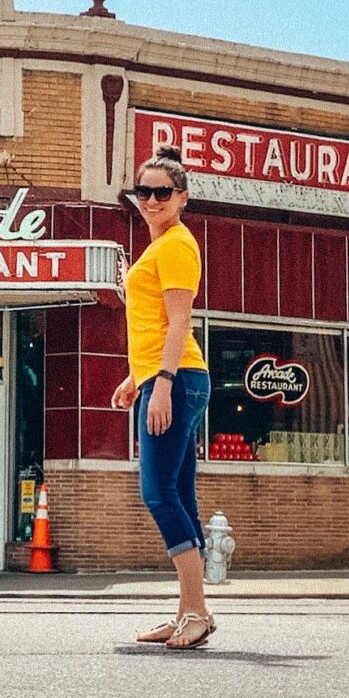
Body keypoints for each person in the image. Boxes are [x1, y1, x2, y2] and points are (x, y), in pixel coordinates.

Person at [112, 145, 214, 650]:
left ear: (182, 198)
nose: (151, 199)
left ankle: (195, 611)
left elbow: (179, 321)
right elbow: (152, 326)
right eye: (144, 191)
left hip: (178, 378)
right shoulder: (159, 246)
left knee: (157, 492)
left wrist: (163, 384)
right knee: (181, 495)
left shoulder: (175, 244)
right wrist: (137, 379)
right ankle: (189, 614)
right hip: (167, 375)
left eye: (162, 192)